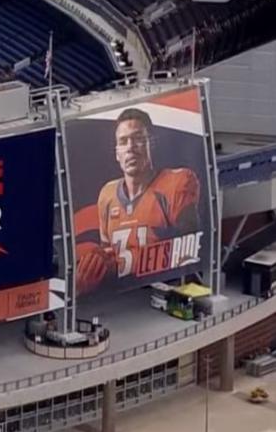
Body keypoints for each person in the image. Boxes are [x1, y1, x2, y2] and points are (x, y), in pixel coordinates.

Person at [76, 108, 201, 294]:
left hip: (165, 287)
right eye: (123, 141)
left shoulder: (177, 182)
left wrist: (133, 261)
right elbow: (107, 250)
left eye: (138, 139)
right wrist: (97, 264)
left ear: (152, 144)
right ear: (116, 153)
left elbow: (190, 245)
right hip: (121, 293)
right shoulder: (107, 194)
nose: (130, 147)